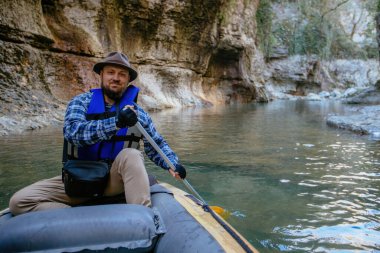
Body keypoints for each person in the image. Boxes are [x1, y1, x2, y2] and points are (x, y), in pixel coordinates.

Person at [9, 52, 186, 216]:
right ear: (101, 74)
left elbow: (156, 143)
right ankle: (78, 219)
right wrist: (116, 122)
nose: (116, 78)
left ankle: (141, 220)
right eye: (111, 72)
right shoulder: (80, 102)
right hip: (80, 180)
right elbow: (74, 134)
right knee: (19, 202)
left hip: (114, 182)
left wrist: (172, 163)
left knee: (131, 154)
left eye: (122, 74)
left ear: (127, 80)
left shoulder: (137, 113)